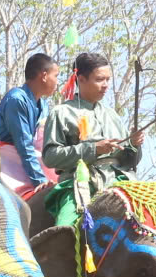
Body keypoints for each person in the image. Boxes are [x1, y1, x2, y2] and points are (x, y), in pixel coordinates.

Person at [40, 51, 144, 226]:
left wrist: (134, 145)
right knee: (65, 229)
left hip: (120, 181)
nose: (105, 85)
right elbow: (50, 157)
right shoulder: (62, 112)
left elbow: (131, 161)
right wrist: (93, 149)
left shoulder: (112, 116)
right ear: (81, 79)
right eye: (99, 79)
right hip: (79, 184)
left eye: (108, 80)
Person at [0, 52, 62, 195]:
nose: (57, 81)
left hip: (29, 157)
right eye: (56, 76)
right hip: (6, 158)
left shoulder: (43, 104)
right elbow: (24, 145)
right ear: (44, 76)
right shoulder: (17, 99)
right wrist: (41, 181)